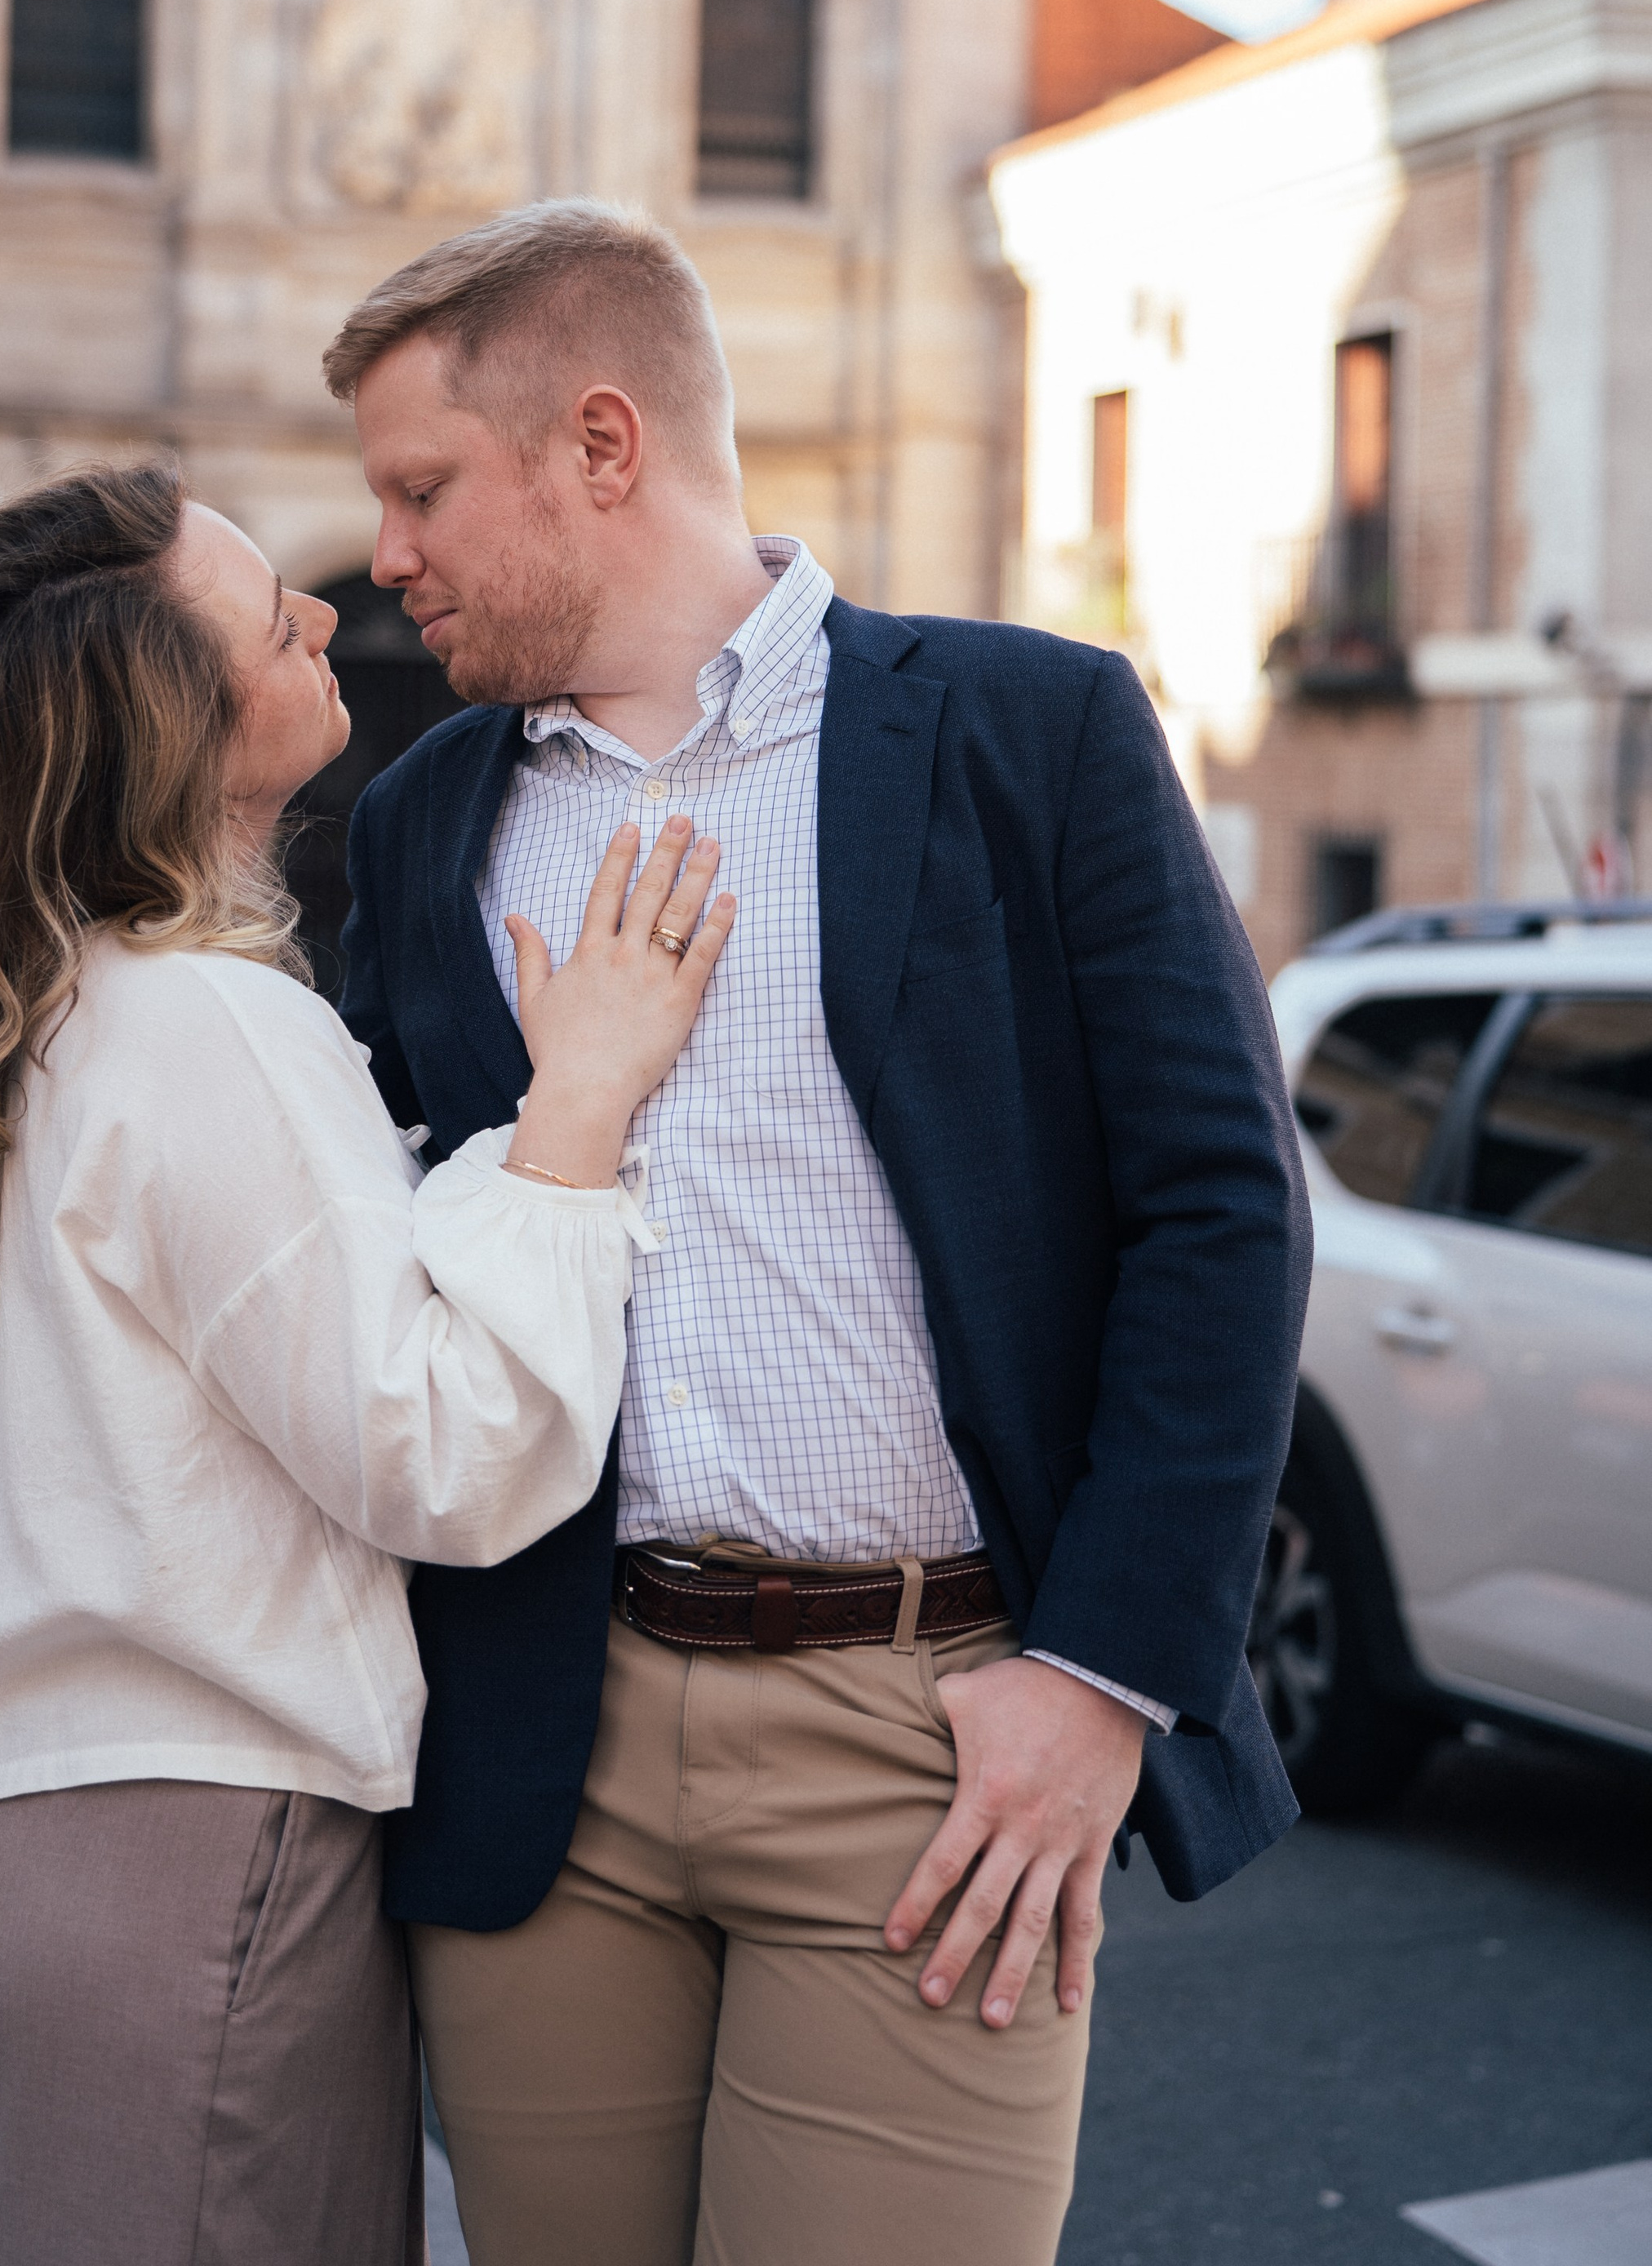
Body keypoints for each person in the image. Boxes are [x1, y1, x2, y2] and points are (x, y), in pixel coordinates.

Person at [322, 202, 1313, 2266]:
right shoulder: (426, 815)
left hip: (924, 1731)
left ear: (600, 444)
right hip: (541, 1737)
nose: (386, 557)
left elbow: (1220, 1213)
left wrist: (1106, 1678)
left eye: (420, 489)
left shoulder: (1027, 734)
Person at [0, 460, 736, 2266]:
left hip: (11, 1842)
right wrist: (573, 1114)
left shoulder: (41, 1015)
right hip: (193, 1849)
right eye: (269, 618)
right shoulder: (203, 1026)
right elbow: (441, 1459)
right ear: (166, 729)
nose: (329, 611)